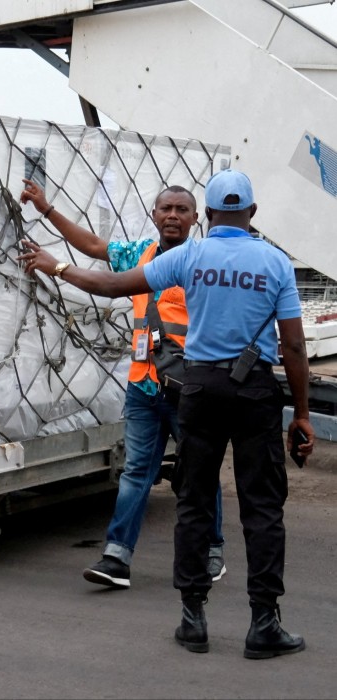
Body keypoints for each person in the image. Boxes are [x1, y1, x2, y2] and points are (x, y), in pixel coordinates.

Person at [18, 169, 314, 659]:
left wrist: (58, 268)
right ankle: (264, 623)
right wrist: (301, 414)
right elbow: (295, 344)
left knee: (193, 501)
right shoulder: (275, 262)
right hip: (254, 391)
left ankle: (193, 619)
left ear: (209, 215)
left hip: (197, 387)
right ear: (253, 215)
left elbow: (111, 284)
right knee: (262, 508)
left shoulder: (187, 256)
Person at [20, 178, 226, 590]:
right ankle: (117, 557)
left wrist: (56, 266)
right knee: (135, 473)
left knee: (199, 472)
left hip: (191, 389)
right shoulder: (139, 253)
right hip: (144, 387)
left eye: (181, 210)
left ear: (195, 217)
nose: (172, 215)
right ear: (154, 214)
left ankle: (211, 551)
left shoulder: (206, 262)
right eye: (165, 208)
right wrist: (46, 210)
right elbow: (95, 247)